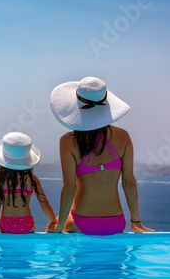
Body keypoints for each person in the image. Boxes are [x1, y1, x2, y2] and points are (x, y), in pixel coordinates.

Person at [47, 76, 155, 235]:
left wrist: (59, 226)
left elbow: (69, 189)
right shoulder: (123, 137)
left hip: (80, 221)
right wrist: (136, 222)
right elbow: (129, 183)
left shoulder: (68, 141)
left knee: (52, 228)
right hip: (115, 222)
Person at [0, 132, 57, 238]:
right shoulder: (31, 179)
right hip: (26, 224)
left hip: (6, 224)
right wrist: (54, 222)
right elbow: (44, 202)